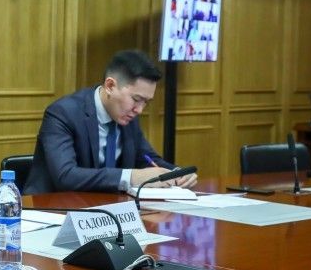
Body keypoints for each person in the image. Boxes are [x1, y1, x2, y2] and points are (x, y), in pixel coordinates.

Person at [24, 49, 197, 194]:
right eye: (136, 99)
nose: (140, 109)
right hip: (51, 210)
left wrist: (176, 173)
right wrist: (131, 177)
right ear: (110, 86)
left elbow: (147, 159)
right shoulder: (63, 113)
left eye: (146, 102)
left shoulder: (127, 115)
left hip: (106, 209)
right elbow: (66, 176)